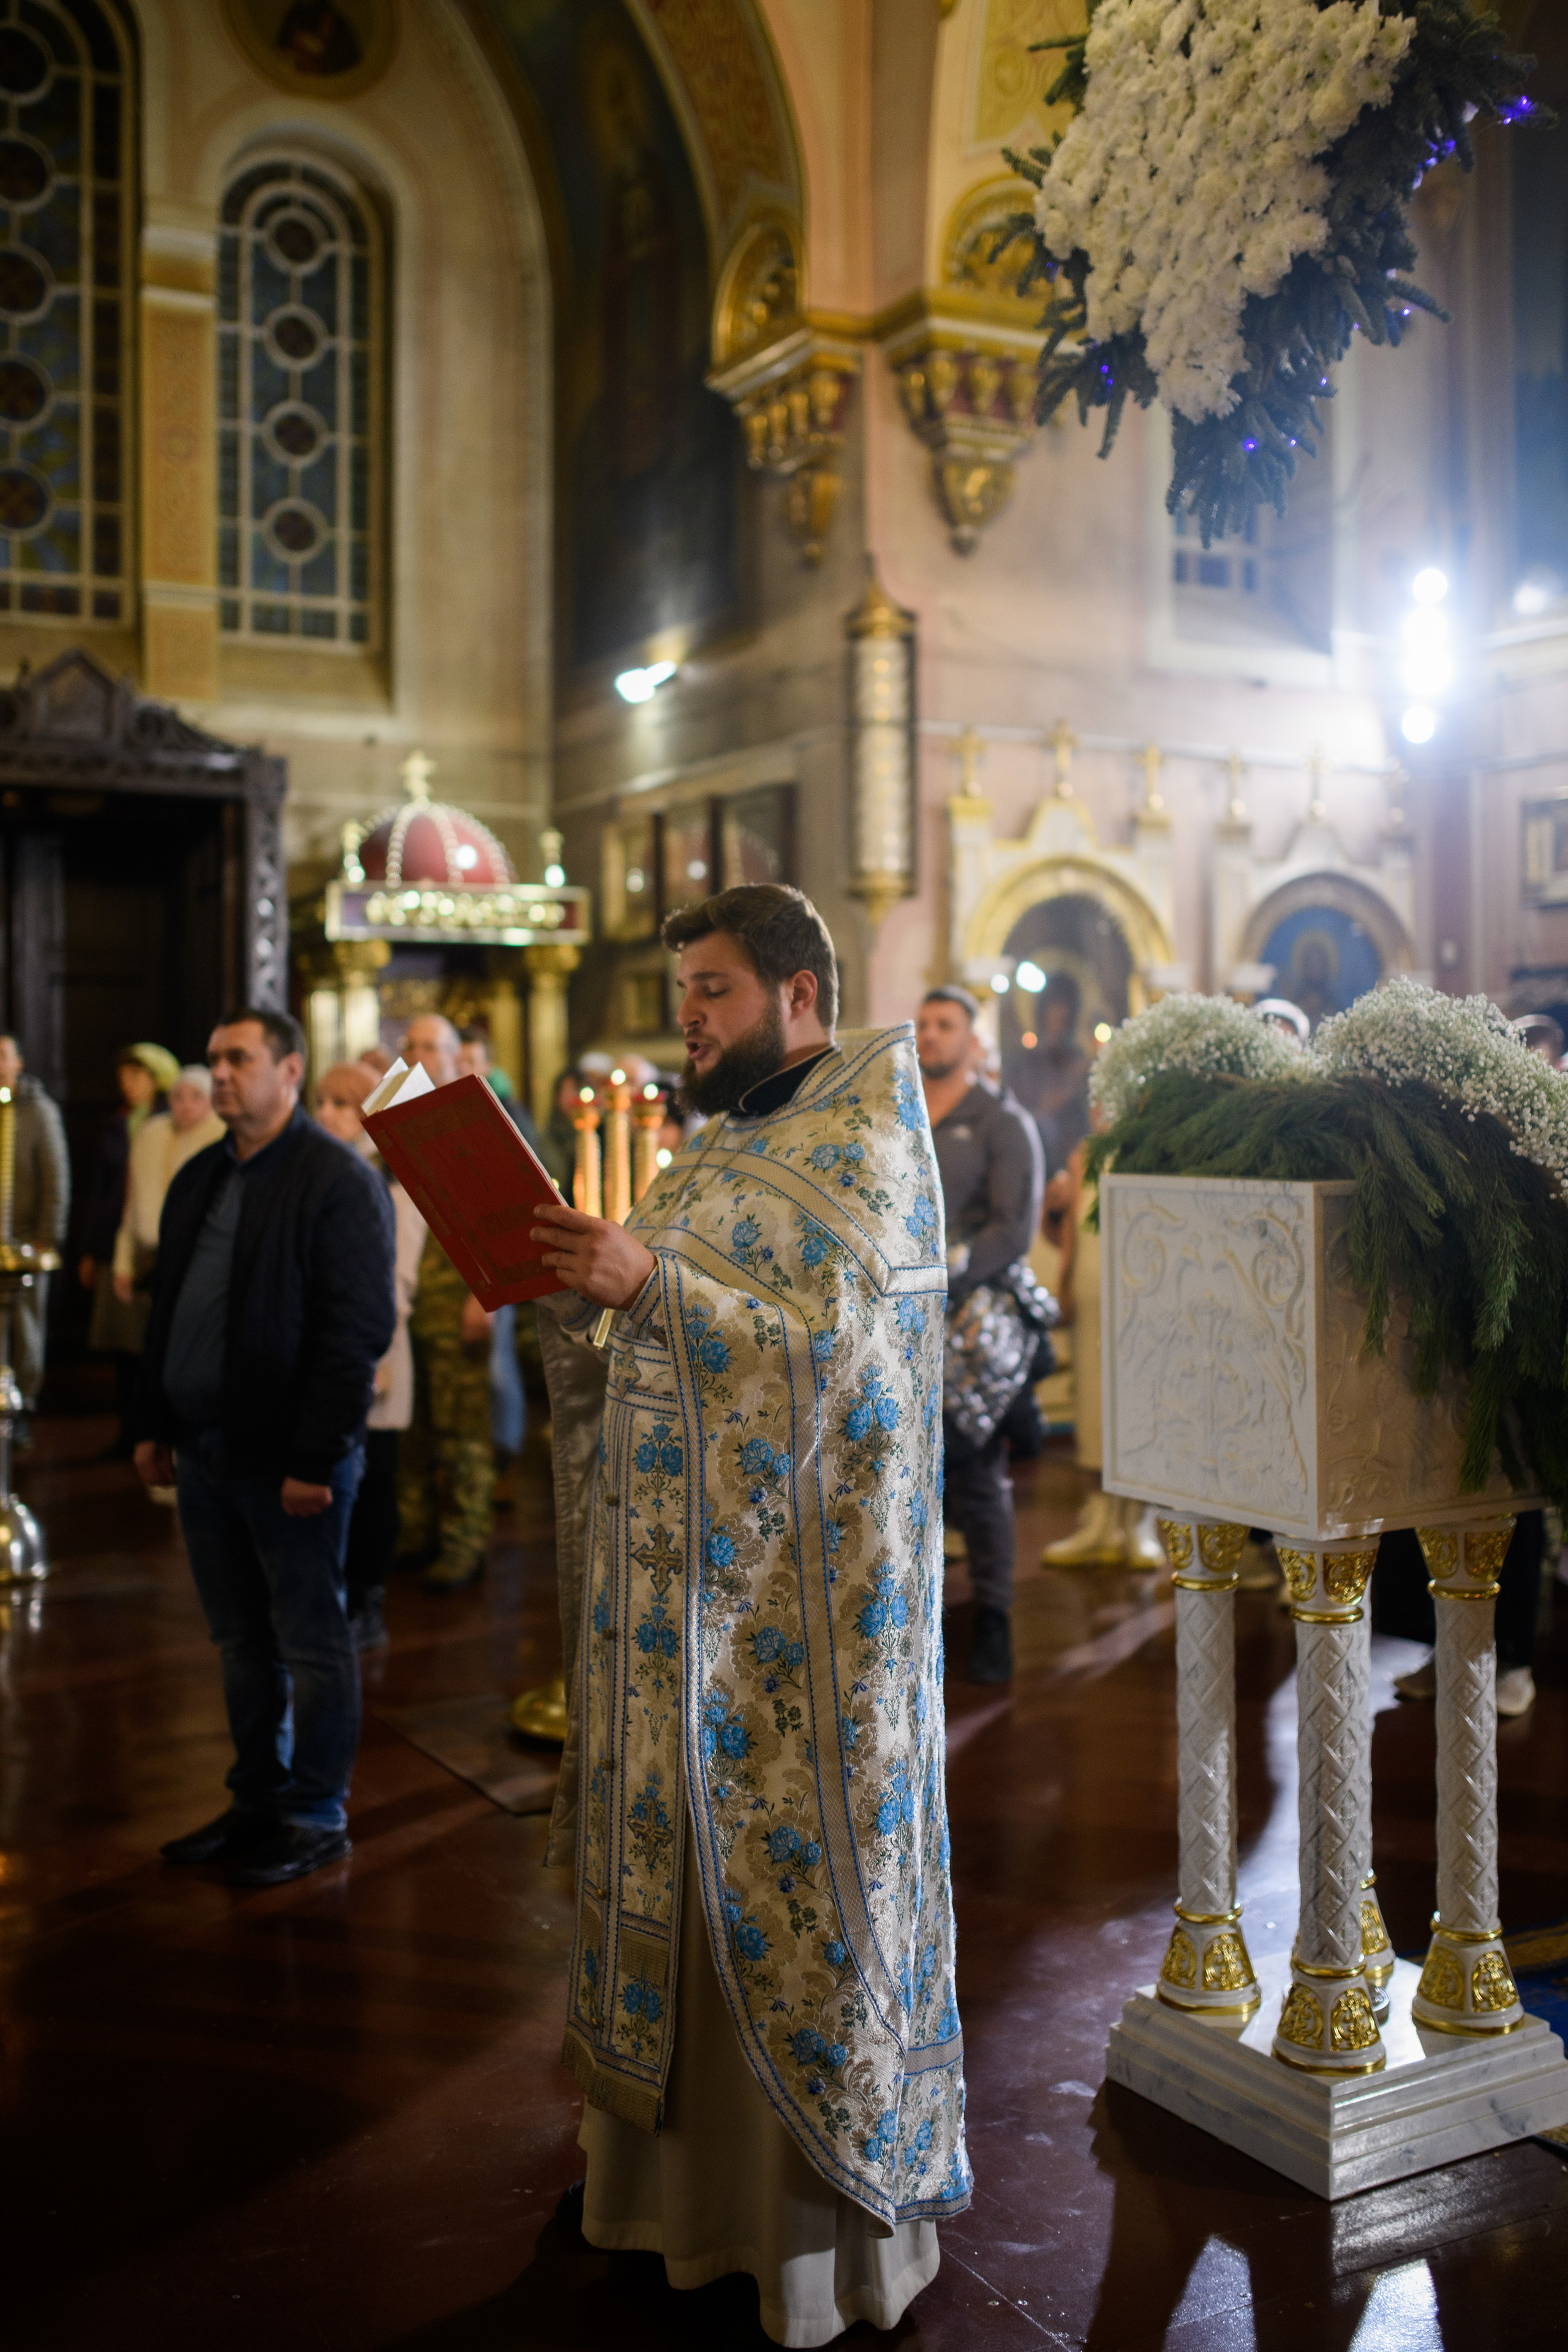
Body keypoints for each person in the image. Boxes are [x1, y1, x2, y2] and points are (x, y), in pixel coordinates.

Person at [529, 884, 968, 2348]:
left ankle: (801, 2246)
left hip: (809, 1643)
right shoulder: (720, 1143)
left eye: (711, 989)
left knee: (785, 1913)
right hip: (676, 1612)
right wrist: (578, 1290)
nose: (688, 1017)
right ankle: (666, 2202)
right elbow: (652, 1309)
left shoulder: (865, 1139)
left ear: (795, 993)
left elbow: (839, 1362)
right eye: (684, 990)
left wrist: (647, 1282)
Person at [132, 1009, 394, 1887]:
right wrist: (152, 1424)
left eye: (238, 1059)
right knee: (241, 1641)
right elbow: (168, 1307)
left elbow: (354, 1334)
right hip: (205, 1449)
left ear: (290, 1070)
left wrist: (315, 1460)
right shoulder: (201, 1172)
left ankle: (315, 1813)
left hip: (292, 1462)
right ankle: (255, 1800)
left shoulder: (336, 1180)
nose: (220, 1075)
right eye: (213, 1060)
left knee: (313, 1643)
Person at [917, 986, 1046, 1685]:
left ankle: (993, 1618)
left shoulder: (1000, 1121)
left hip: (973, 1316)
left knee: (976, 1471)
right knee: (907, 1473)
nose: (930, 1036)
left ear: (972, 1041)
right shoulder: (899, 1114)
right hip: (903, 1315)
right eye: (923, 1025)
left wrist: (948, 1275)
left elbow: (1012, 1227)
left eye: (945, 1026)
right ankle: (917, 1617)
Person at [313, 1060, 428, 1651]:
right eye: (322, 1102)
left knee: (375, 1477)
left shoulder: (393, 1180)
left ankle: (366, 1599)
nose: (327, 1114)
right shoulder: (324, 1171)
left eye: (342, 1104)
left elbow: (397, 1281)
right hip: (333, 1348)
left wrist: (375, 1352)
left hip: (378, 1347)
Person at [394, 1014, 497, 1588]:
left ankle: (464, 1542)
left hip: (455, 1299)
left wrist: (485, 1299)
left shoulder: (475, 1121)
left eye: (431, 1046)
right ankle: (414, 1529)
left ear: (457, 1058)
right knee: (410, 1429)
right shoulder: (393, 1120)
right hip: (404, 1302)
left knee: (462, 1433)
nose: (418, 1054)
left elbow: (498, 1218)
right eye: (411, 1044)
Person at [81, 1042, 180, 1455]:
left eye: (137, 1075)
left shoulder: (169, 1122)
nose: (128, 1084)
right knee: (121, 1346)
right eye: (124, 1076)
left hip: (155, 1244)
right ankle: (128, 1431)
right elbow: (101, 1188)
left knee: (151, 1345)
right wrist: (91, 1247)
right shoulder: (116, 1124)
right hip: (115, 1241)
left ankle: (154, 1431)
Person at [0, 1033, 68, 1435]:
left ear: (19, 1063)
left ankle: (23, 1405)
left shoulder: (39, 1110)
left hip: (25, 1238)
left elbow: (56, 1179)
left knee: (25, 1330)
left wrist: (49, 1236)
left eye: (4, 1056)